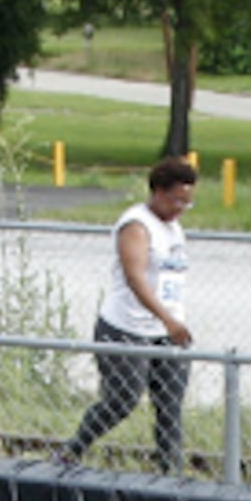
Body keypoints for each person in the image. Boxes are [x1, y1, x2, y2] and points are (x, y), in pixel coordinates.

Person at [58, 157, 196, 476]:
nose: (181, 208)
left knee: (170, 405)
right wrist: (168, 319)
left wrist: (174, 320)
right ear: (158, 191)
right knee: (123, 399)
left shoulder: (173, 227)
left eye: (188, 202)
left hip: (167, 332)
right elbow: (136, 279)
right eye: (177, 199)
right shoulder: (136, 225)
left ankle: (171, 473)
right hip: (126, 327)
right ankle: (71, 450)